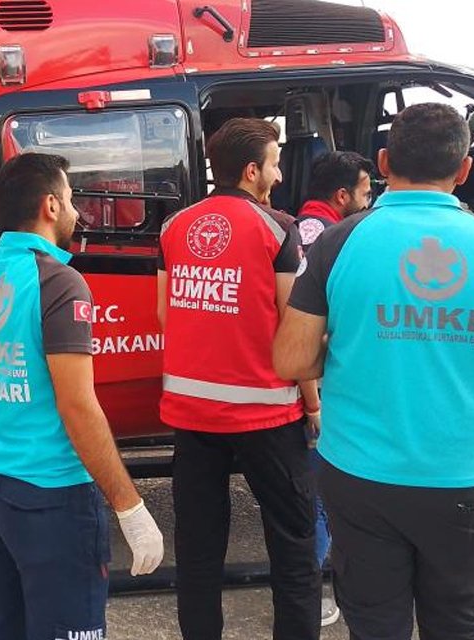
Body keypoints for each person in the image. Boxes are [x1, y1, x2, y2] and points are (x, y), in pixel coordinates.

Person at [274, 103, 474, 640]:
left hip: (359, 473)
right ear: (465, 169)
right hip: (462, 474)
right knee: (458, 620)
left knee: (376, 623)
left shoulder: (338, 241)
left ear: (383, 161)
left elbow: (290, 359)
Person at [0, 152, 164, 640]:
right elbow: (77, 405)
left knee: (0, 626)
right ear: (49, 205)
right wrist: (129, 507)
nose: (76, 213)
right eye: (69, 201)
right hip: (50, 498)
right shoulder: (59, 284)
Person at [157, 117, 322, 640]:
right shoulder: (278, 228)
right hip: (268, 414)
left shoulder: (174, 227)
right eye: (273, 162)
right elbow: (293, 327)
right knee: (293, 549)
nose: (277, 172)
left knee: (198, 554)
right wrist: (313, 404)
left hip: (192, 416)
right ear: (253, 170)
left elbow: (166, 315)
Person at [294, 150, 374, 628]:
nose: (370, 201)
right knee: (321, 497)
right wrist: (314, 400)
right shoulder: (325, 237)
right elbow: (306, 326)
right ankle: (318, 589)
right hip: (322, 386)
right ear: (342, 195)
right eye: (366, 192)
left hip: (319, 384)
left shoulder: (312, 229)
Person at [295, 151, 374, 252]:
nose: (367, 205)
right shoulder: (343, 242)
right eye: (366, 196)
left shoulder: (289, 231)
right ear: (342, 196)